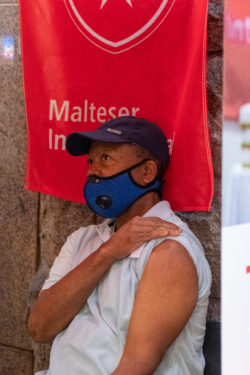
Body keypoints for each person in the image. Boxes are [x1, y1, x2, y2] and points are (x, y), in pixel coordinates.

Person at [28, 116, 212, 375]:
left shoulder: (169, 250)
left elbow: (137, 365)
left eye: (106, 159)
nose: (93, 171)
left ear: (147, 172)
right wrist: (108, 252)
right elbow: (40, 327)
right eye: (91, 161)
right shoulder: (83, 240)